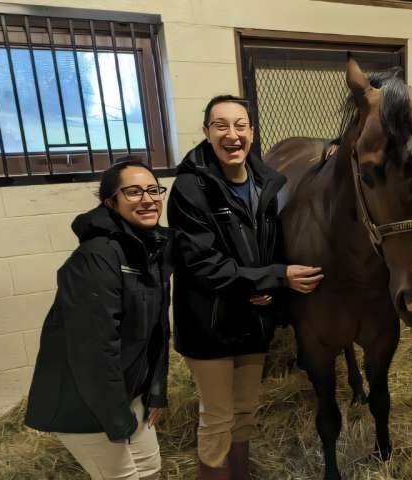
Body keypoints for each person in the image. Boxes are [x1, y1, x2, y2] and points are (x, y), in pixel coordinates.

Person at [167, 95, 324, 479]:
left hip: (252, 319)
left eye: (240, 125)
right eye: (221, 125)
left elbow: (268, 250)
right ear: (206, 132)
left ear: (252, 132)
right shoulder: (190, 188)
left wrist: (270, 286)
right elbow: (202, 263)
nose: (232, 134)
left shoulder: (265, 183)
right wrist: (275, 277)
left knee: (244, 414)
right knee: (218, 418)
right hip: (210, 323)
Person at [25, 158, 173, 480]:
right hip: (85, 399)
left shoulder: (155, 247)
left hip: (128, 390)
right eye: (133, 192)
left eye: (153, 189)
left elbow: (159, 330)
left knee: (150, 469)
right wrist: (116, 418)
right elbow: (94, 350)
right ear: (111, 201)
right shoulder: (97, 256)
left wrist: (157, 390)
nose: (147, 199)